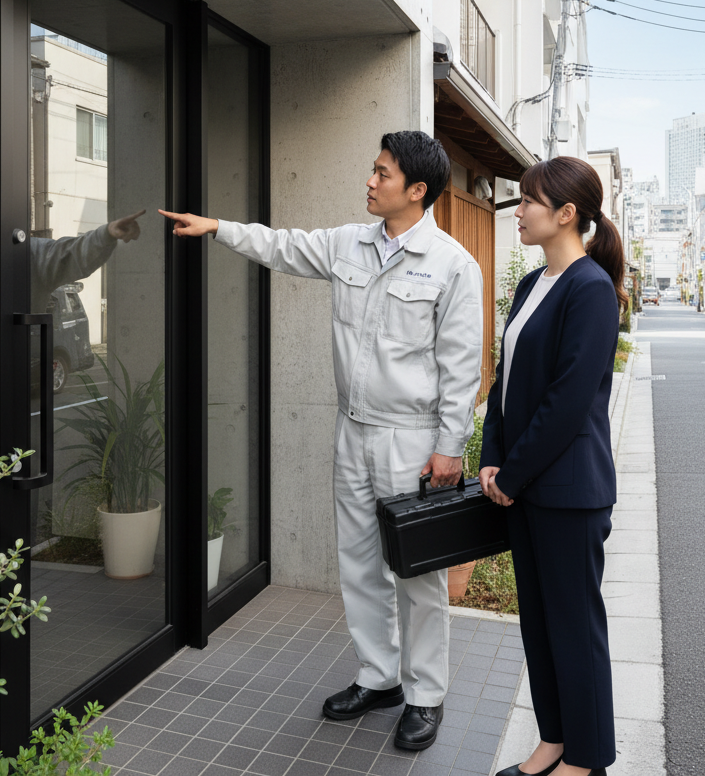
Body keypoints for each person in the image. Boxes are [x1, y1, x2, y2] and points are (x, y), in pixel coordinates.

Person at [159, 131, 483, 751]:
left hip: (412, 440)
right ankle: (379, 677)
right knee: (358, 562)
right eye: (372, 169)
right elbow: (281, 246)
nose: (370, 181)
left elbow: (461, 366)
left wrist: (450, 446)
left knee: (417, 576)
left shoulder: (452, 265)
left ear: (417, 190)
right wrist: (218, 227)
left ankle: (425, 695)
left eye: (382, 173)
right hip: (352, 429)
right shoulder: (348, 243)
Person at [479, 157, 626, 776]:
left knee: (574, 627)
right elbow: (505, 381)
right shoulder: (531, 283)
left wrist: (511, 475)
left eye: (528, 201)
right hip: (525, 486)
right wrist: (491, 459)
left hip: (567, 491)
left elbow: (567, 402)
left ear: (566, 214)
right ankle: (554, 741)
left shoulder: (590, 288)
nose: (517, 211)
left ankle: (586, 759)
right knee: (539, 625)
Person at [0, 170, 144, 523]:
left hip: (8, 415)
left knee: (11, 517)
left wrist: (106, 234)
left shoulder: (17, 255)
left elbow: (67, 253)